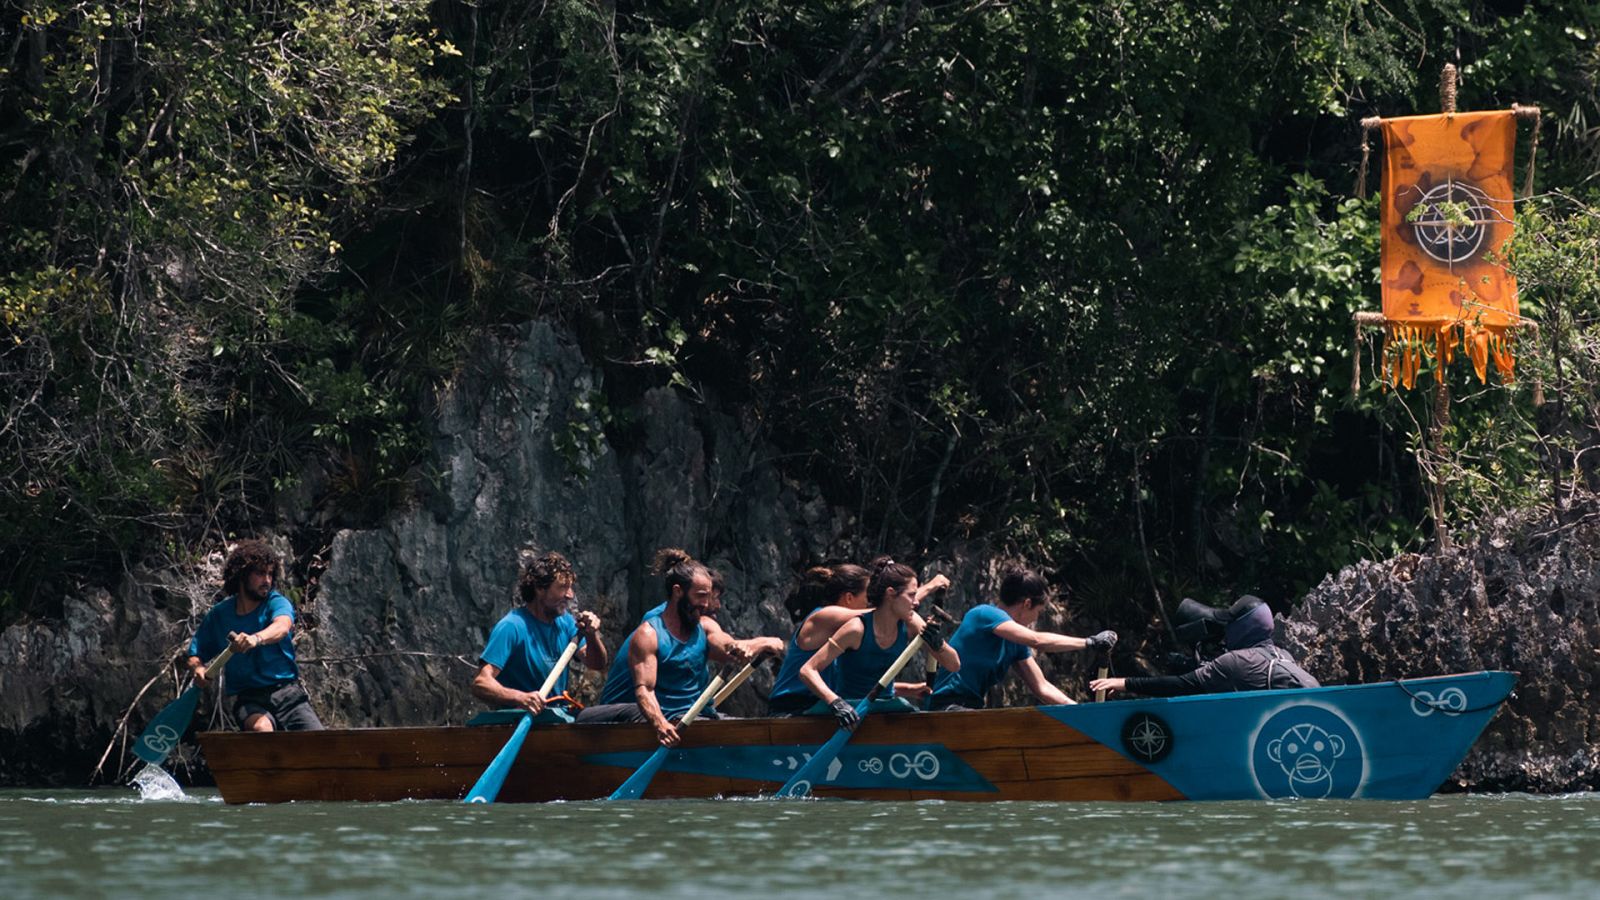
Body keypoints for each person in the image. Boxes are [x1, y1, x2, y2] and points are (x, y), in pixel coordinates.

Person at [576, 549, 784, 745]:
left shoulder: (702, 626)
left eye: (710, 597)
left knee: (747, 732)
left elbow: (727, 647)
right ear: (678, 592)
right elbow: (645, 690)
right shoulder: (650, 632)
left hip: (689, 715)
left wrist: (749, 647)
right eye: (701, 596)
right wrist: (660, 724)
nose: (709, 604)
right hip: (642, 715)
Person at [796, 558, 960, 732]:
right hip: (852, 715)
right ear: (890, 593)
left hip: (887, 711)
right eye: (911, 595)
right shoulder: (856, 629)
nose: (917, 601)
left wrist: (937, 643)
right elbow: (807, 670)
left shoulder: (911, 622)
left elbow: (954, 665)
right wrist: (835, 702)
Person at [928, 567, 1117, 710]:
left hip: (971, 708)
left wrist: (1081, 711)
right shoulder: (984, 614)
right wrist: (1090, 642)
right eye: (1038, 612)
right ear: (1027, 604)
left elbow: (1042, 687)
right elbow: (1037, 640)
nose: (1036, 618)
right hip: (946, 706)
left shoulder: (1016, 644)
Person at [187, 539, 323, 732]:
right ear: (242, 575)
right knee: (262, 729)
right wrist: (198, 669)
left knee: (323, 744)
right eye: (260, 573)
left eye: (269, 574)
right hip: (249, 700)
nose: (267, 580)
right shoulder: (220, 615)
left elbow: (282, 626)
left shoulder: (276, 603)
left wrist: (255, 639)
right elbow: (195, 654)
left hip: (288, 694)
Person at [1090, 595, 1319, 697]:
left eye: (1230, 624)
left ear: (1241, 628)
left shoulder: (1237, 661)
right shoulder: (1282, 653)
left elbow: (1183, 686)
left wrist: (1124, 683)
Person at [471, 551, 608, 714]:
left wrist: (592, 635)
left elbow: (597, 663)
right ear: (540, 589)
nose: (570, 595)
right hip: (522, 720)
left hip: (557, 717)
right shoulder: (512, 626)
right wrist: (520, 698)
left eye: (571, 587)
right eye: (563, 587)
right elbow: (481, 683)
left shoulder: (566, 623)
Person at [766, 564, 873, 716]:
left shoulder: (847, 634)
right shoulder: (823, 615)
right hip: (789, 710)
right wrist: (900, 601)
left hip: (820, 708)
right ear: (849, 598)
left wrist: (910, 689)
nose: (870, 603)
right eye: (868, 598)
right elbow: (880, 615)